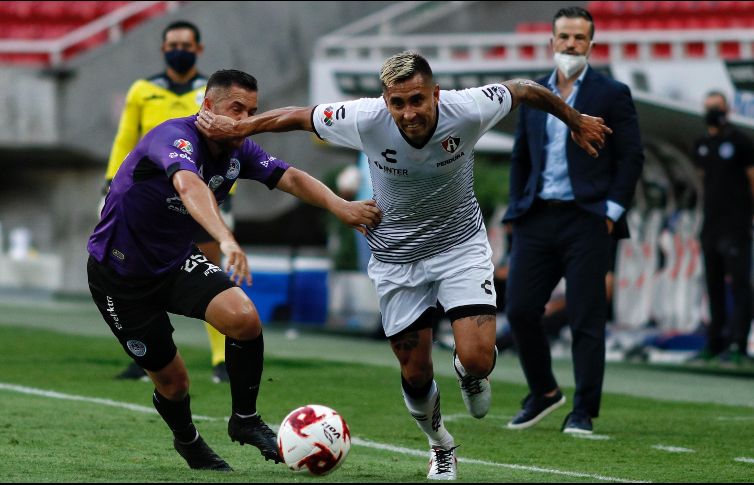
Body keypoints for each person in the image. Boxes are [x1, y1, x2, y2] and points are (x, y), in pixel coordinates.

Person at [195, 50, 610, 479]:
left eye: (417, 100)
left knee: (477, 357)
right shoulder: (364, 117)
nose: (408, 113)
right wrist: (242, 127)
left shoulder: (468, 108)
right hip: (395, 257)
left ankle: (470, 373)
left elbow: (524, 89)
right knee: (415, 370)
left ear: (436, 94)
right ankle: (441, 445)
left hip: (459, 246)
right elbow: (297, 116)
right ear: (385, 101)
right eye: (397, 103)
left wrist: (575, 120)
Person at [87, 69, 381, 471]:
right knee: (174, 383)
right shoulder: (173, 137)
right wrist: (225, 239)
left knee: (244, 319)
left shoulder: (240, 150)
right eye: (237, 109)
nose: (245, 119)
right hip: (119, 276)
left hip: (174, 262)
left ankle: (245, 419)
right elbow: (189, 187)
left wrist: (340, 205)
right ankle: (189, 442)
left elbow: (290, 176)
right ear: (208, 107)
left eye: (252, 112)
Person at [502, 6, 644, 435]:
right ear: (551, 41)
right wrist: (516, 207)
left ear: (591, 44)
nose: (570, 44)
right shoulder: (532, 92)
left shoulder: (611, 93)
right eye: (564, 36)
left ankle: (583, 411)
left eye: (579, 37)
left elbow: (631, 156)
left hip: (588, 219)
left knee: (586, 317)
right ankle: (544, 391)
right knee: (520, 309)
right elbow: (521, 156)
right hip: (537, 217)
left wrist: (612, 211)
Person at [104, 20, 234, 383]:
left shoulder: (211, 94)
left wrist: (226, 195)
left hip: (199, 195)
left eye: (186, 45)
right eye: (173, 45)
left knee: (211, 271)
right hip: (146, 201)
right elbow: (125, 138)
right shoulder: (143, 90)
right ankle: (147, 356)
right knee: (139, 274)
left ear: (199, 49)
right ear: (163, 49)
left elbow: (229, 145)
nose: (179, 51)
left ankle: (221, 358)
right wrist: (110, 184)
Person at [692, 90, 754, 364]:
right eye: (708, 107)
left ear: (727, 109)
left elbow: (752, 179)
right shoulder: (701, 144)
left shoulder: (741, 142)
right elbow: (704, 180)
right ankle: (715, 342)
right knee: (713, 284)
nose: (712, 112)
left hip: (736, 225)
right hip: (711, 225)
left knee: (740, 285)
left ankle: (739, 344)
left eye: (716, 107)